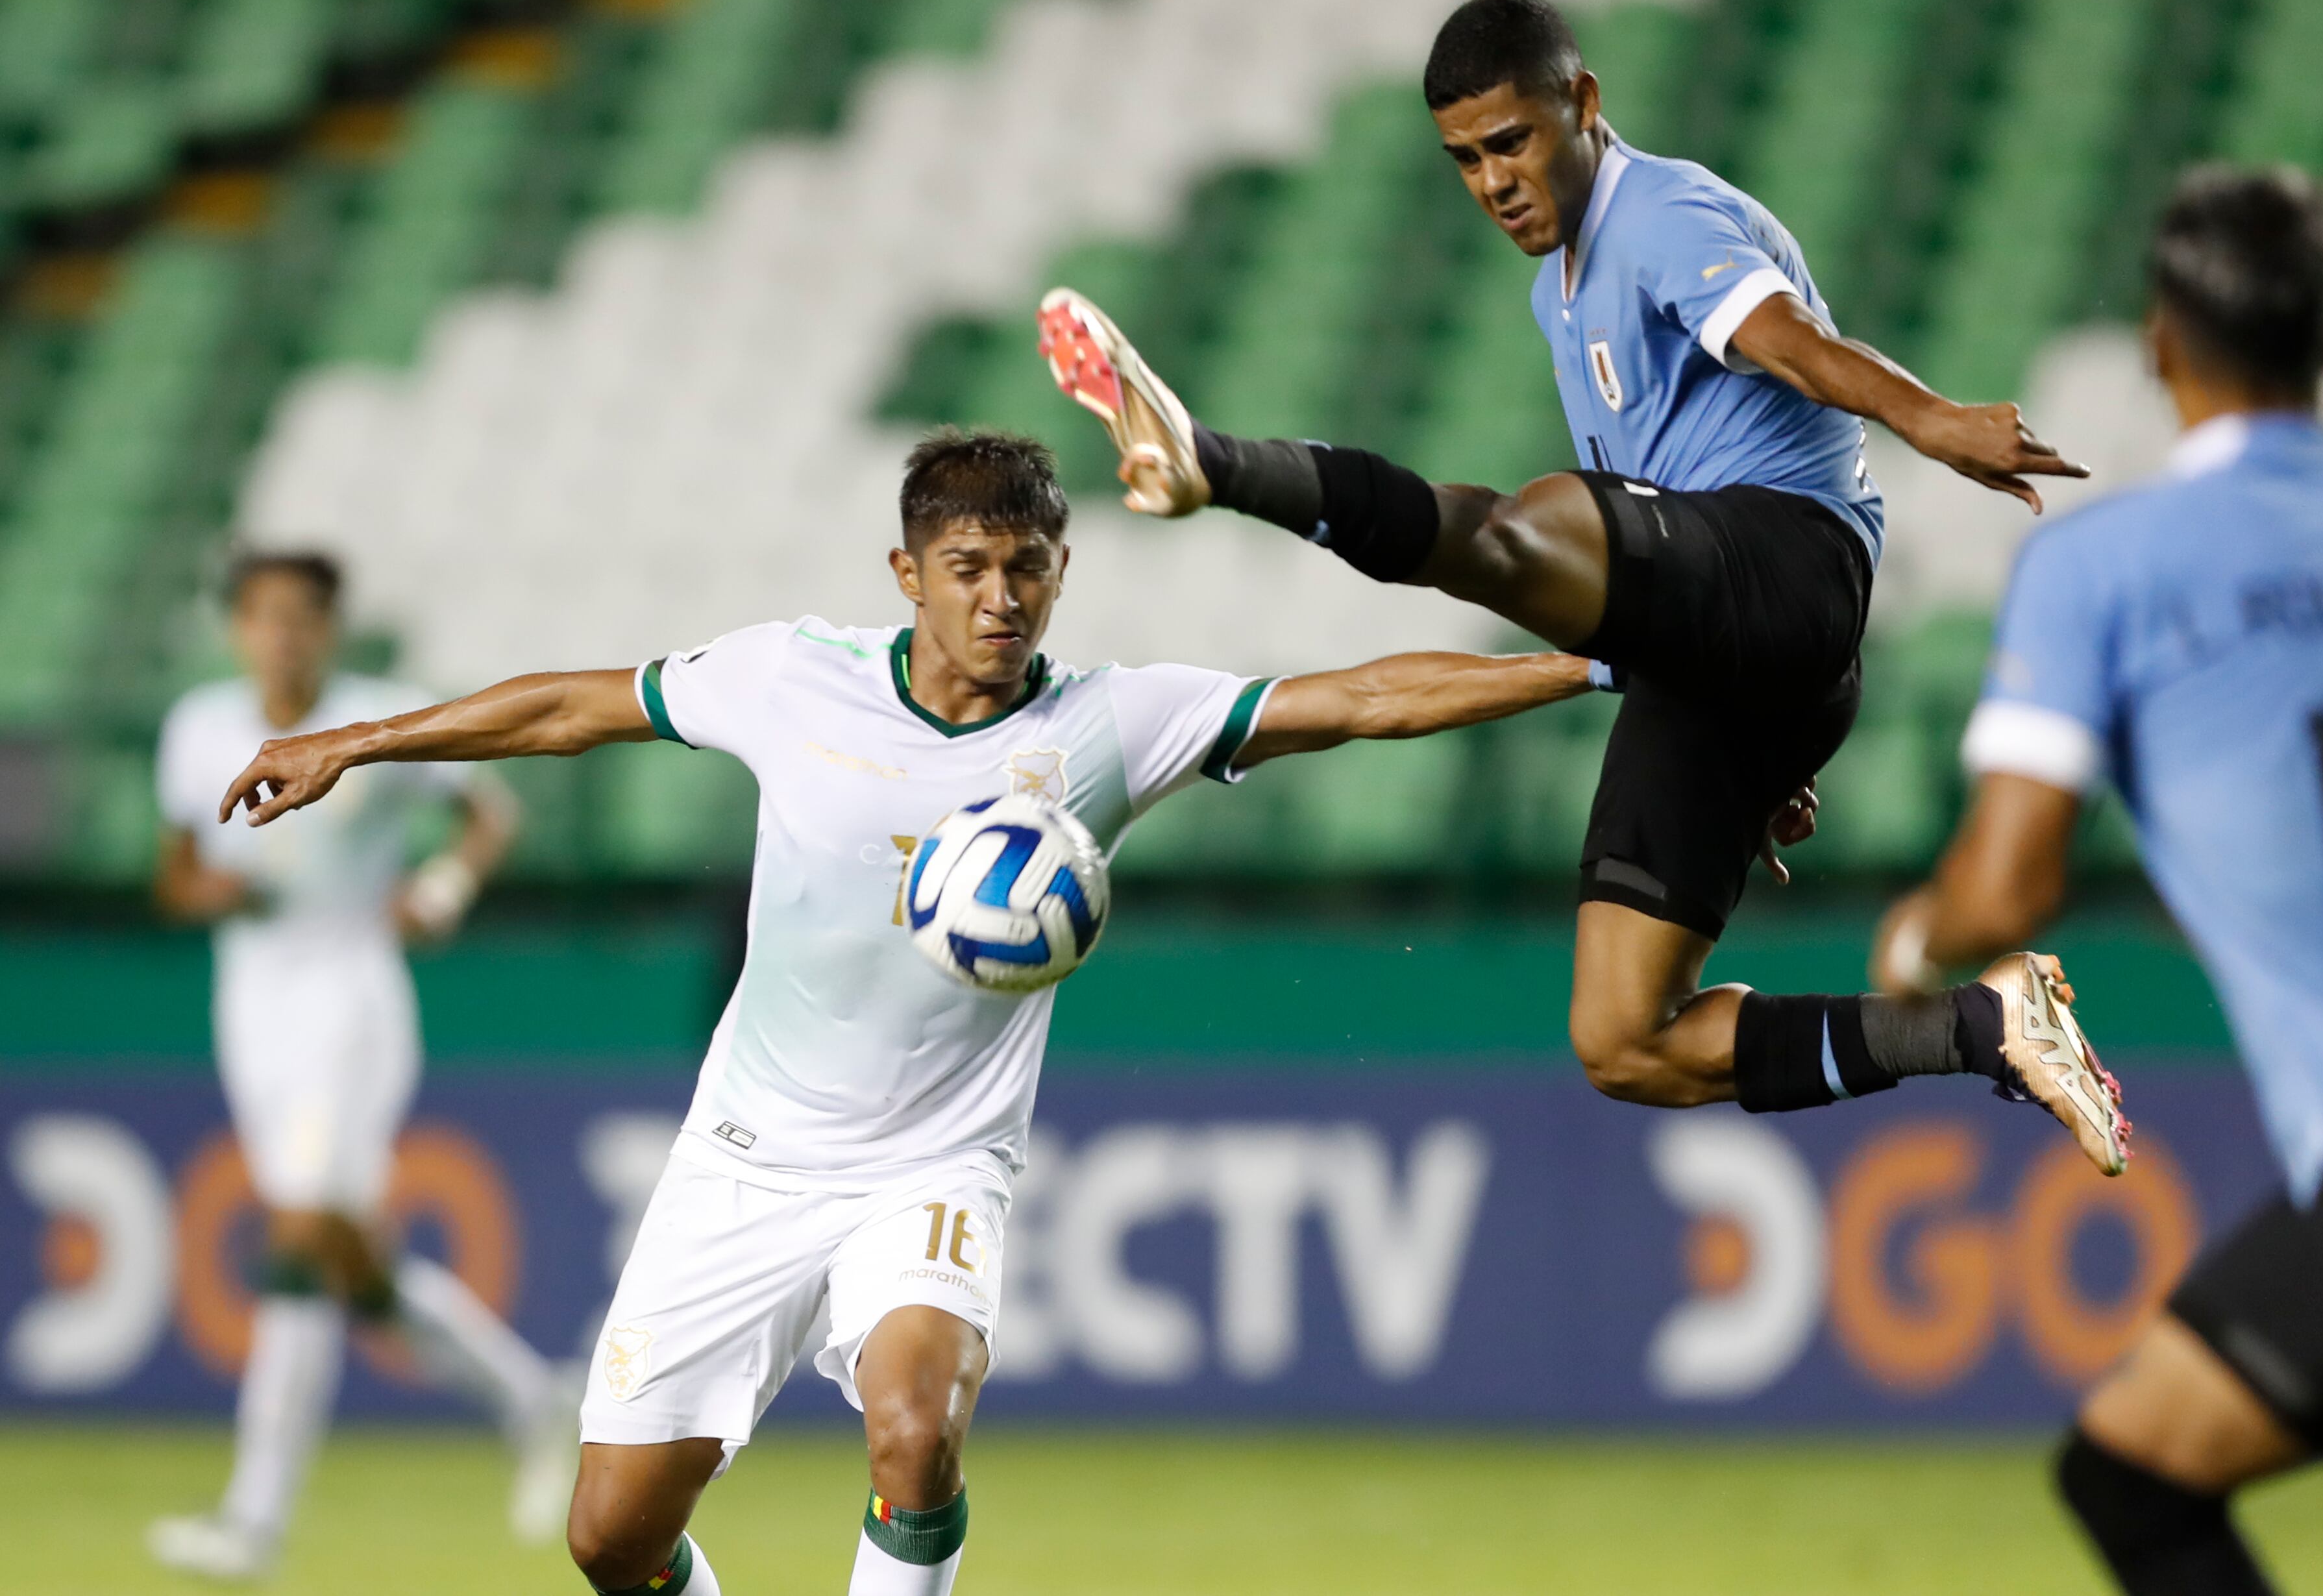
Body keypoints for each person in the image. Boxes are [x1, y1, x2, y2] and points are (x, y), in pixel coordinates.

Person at [214, 430, 1600, 1596]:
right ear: (907, 575)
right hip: (747, 1158)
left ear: (1062, 573)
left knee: (915, 1428)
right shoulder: (790, 676)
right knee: (610, 1537)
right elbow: (569, 710)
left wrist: (1594, 670)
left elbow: (1361, 699)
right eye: (970, 568)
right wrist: (355, 742)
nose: (1002, 599)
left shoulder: (1111, 725)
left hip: (934, 1169)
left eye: (1029, 567)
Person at [1035, 0, 2125, 1170]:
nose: (1493, 181)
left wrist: (1929, 418)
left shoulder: (1658, 213)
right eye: (1465, 159)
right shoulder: (1555, 291)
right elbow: (1646, 573)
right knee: (1624, 1041)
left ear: (1583, 102)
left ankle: (1216, 464)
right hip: (1730, 656)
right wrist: (1761, 729)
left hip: (1791, 562)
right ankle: (1981, 1027)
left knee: (1520, 533)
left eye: (1511, 142)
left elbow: (1788, 343)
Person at [1870, 166, 2323, 1591]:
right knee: (2133, 1467)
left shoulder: (2104, 571)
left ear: (2156, 345)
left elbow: (2005, 891)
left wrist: (1912, 948)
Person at [149, 550, 572, 1580]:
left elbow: (489, 815)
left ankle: (253, 1524)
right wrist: (212, 895)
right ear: (237, 629)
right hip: (252, 1008)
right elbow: (176, 873)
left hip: (350, 999)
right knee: (347, 1263)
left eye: (303, 618)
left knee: (297, 1235)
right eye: (265, 617)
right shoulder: (199, 728)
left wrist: (440, 889)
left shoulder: (375, 721)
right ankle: (533, 1401)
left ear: (331, 628)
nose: (283, 637)